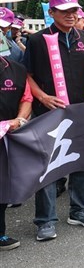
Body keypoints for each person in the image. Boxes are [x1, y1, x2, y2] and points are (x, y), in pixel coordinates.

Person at [23, 0, 84, 241]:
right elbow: (27, 76)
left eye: (74, 11)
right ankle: (45, 221)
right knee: (48, 167)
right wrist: (43, 97)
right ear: (51, 13)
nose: (71, 15)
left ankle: (80, 210)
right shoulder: (37, 40)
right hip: (48, 113)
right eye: (65, 11)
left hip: (82, 111)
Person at [0, 55, 33, 250]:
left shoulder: (16, 69)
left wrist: (19, 120)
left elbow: (27, 98)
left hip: (6, 137)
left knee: (2, 185)